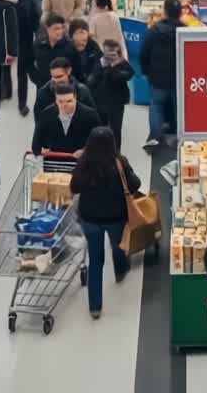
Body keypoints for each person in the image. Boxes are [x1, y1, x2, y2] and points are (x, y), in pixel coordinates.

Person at [69, 127, 140, 318]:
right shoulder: (120, 163)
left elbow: (74, 187)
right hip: (116, 218)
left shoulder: (84, 164)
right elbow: (135, 184)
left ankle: (95, 307)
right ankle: (120, 271)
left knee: (95, 260)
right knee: (118, 246)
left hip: (89, 219)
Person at [140, 0, 183, 149]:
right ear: (180, 12)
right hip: (179, 78)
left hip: (157, 77)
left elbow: (144, 52)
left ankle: (155, 140)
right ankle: (181, 139)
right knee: (180, 108)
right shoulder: (185, 31)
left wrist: (145, 71)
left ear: (165, 12)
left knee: (156, 106)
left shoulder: (154, 30)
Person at [87, 39, 134, 150]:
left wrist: (112, 66)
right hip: (100, 100)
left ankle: (116, 152)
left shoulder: (122, 64)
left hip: (116, 102)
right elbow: (92, 80)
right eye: (107, 53)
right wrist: (103, 66)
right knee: (99, 127)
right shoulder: (99, 62)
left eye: (113, 53)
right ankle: (99, 150)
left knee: (116, 129)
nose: (110, 56)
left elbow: (128, 75)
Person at [6, 0, 42, 115]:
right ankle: (6, 91)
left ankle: (22, 104)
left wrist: (39, 39)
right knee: (5, 69)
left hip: (24, 40)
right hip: (7, 41)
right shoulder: (2, 0)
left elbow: (35, 20)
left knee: (23, 72)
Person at [32, 83, 102, 156]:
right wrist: (40, 150)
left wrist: (85, 151)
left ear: (76, 98)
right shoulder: (47, 114)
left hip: (83, 161)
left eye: (69, 101)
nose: (65, 105)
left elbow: (100, 141)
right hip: (54, 160)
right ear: (55, 100)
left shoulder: (90, 115)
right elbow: (36, 142)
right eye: (60, 102)